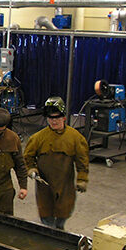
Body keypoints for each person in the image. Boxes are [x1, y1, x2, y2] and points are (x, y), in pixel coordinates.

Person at [23, 96, 89, 230]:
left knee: (63, 213)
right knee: (46, 217)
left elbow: (82, 161)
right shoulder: (38, 138)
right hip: (44, 186)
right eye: (50, 118)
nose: (53, 122)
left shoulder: (75, 138)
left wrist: (82, 179)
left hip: (65, 186)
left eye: (57, 118)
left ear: (64, 117)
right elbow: (28, 156)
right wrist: (31, 169)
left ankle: (59, 231)